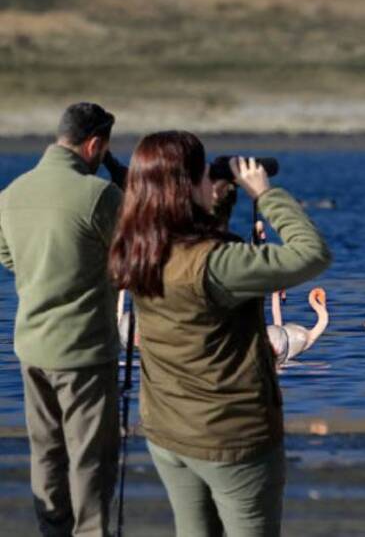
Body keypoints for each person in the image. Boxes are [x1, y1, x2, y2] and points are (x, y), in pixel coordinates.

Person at [108, 130, 331, 536]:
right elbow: (311, 254)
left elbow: (196, 244)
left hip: (168, 432)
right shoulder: (217, 265)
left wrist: (219, 194)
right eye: (203, 176)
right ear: (187, 187)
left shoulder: (136, 250)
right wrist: (264, 194)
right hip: (232, 436)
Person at [0, 102, 122, 536]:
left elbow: (9, 258)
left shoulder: (11, 193)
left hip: (31, 345)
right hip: (84, 349)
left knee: (45, 449)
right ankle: (91, 531)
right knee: (90, 455)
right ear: (94, 144)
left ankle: (52, 527)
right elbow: (132, 257)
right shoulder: (99, 196)